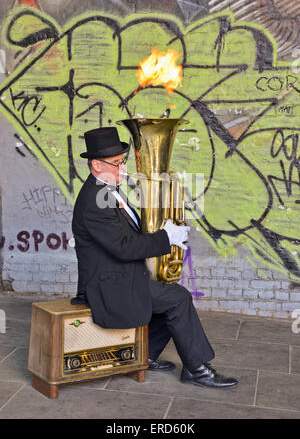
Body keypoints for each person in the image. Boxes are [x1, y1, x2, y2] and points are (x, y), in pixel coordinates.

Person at [71, 127, 238, 388]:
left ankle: (144, 355)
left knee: (167, 299)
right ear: (95, 164)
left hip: (120, 277)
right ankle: (196, 369)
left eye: (122, 161)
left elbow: (127, 232)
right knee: (178, 298)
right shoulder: (94, 199)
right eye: (115, 163)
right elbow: (124, 247)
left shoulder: (106, 189)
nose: (122, 168)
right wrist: (165, 238)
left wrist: (163, 230)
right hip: (107, 285)